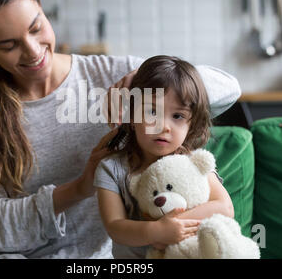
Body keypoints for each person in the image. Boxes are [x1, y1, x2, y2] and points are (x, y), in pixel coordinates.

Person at [0, 0, 241, 259]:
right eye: (8, 45)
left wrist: (143, 83)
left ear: (41, 4)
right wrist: (78, 189)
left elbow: (229, 88)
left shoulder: (113, 76)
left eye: (36, 28)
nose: (33, 51)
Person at [93, 55, 234, 259]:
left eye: (178, 116)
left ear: (191, 124)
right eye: (152, 112)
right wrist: (156, 232)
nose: (164, 126)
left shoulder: (192, 162)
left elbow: (224, 207)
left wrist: (169, 229)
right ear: (131, 116)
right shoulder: (111, 168)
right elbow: (115, 227)